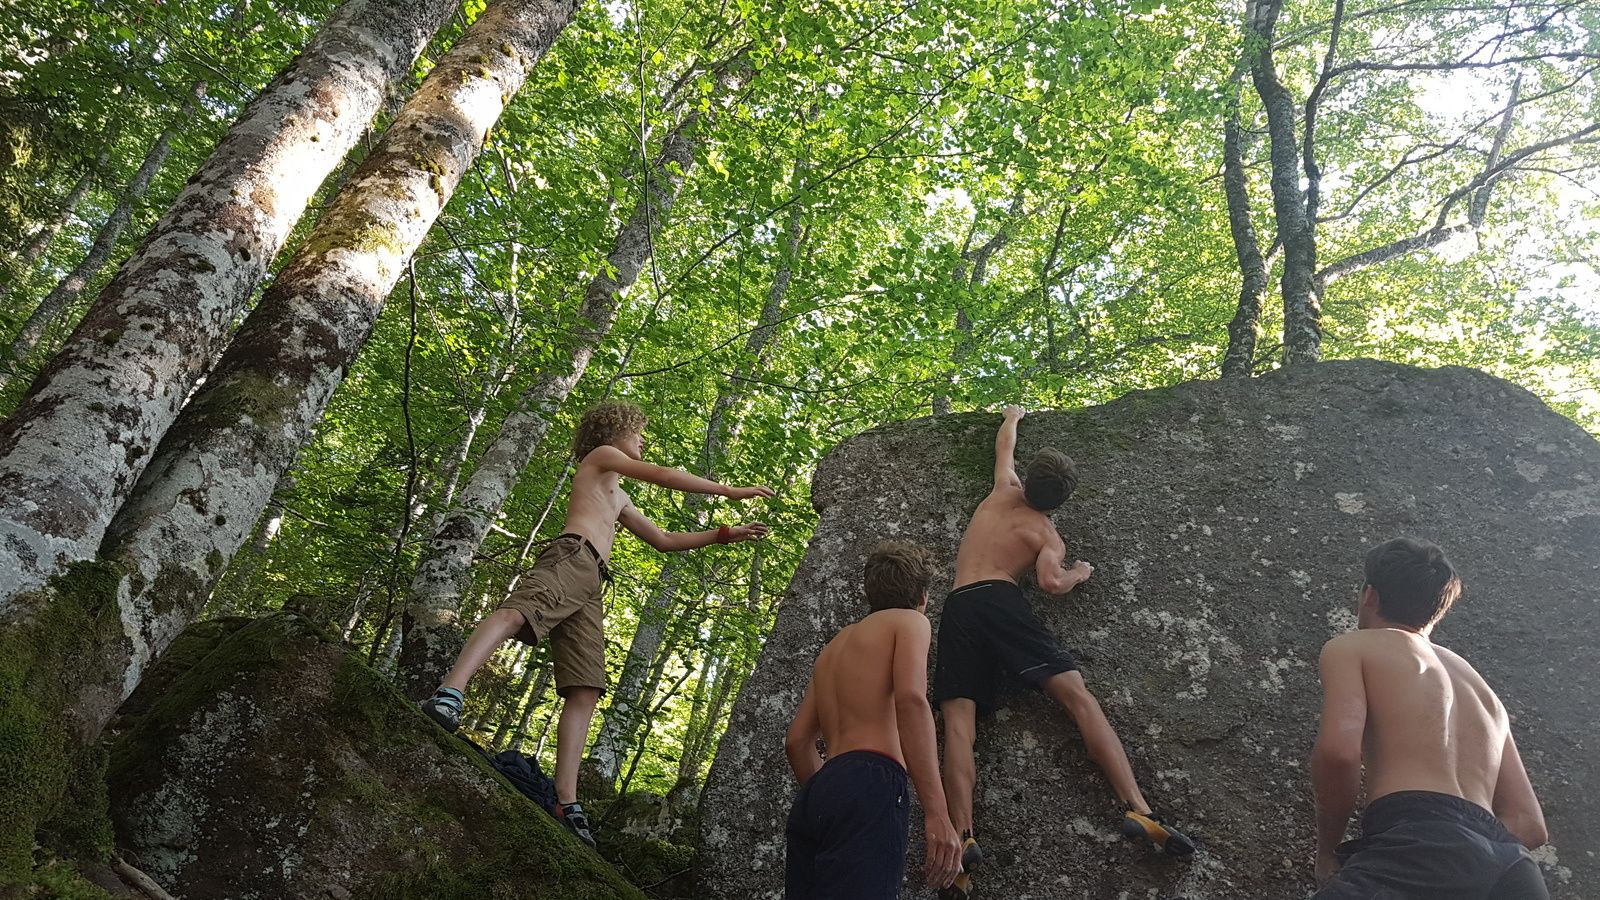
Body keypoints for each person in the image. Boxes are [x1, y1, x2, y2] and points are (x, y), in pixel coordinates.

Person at [419, 401, 772, 847]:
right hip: (572, 554)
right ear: (617, 431)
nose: (643, 441)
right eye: (639, 432)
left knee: (586, 686)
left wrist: (723, 534)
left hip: (593, 582)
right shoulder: (601, 456)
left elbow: (663, 541)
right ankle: (451, 693)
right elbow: (664, 474)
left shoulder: (618, 493)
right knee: (516, 613)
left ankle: (565, 799)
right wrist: (731, 490)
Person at [933, 405, 1194, 899]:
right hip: (1001, 600)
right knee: (1078, 699)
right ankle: (1137, 807)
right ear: (1062, 500)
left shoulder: (1001, 492)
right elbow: (1051, 583)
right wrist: (1081, 572)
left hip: (959, 605)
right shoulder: (1045, 532)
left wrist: (1012, 416)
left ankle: (963, 836)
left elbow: (1003, 447)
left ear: (1027, 479)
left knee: (959, 726)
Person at [1311, 537, 1549, 899]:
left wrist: (1327, 853)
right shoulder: (1479, 686)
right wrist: (1469, 858)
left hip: (1417, 845)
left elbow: (1339, 752)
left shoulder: (1354, 647)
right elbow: (1529, 825)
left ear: (1370, 595)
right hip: (1513, 871)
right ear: (1437, 610)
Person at [784, 540, 964, 899]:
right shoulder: (910, 621)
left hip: (818, 793)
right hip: (871, 780)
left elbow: (797, 741)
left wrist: (833, 792)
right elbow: (911, 700)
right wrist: (937, 813)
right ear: (923, 595)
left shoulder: (833, 648)